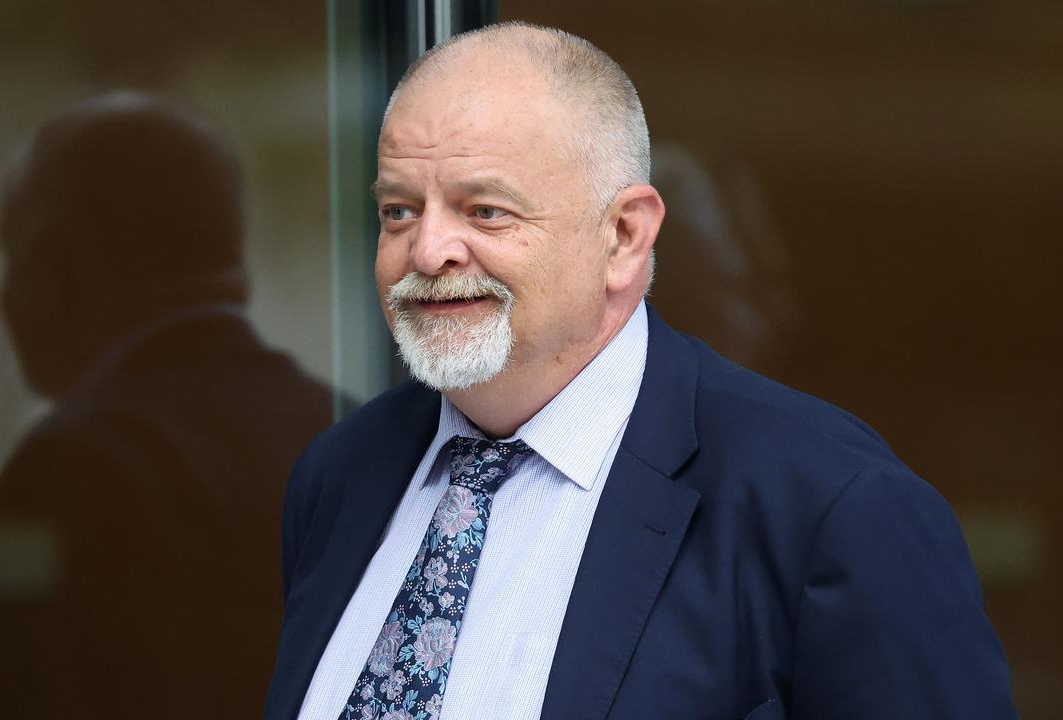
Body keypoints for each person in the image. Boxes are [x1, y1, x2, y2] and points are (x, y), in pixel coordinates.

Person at [266, 22, 1016, 720]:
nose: (427, 252)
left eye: (485, 211)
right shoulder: (343, 475)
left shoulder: (828, 510)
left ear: (624, 237)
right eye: (399, 211)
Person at [0, 92, 334, 718]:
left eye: (11, 254)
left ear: (59, 266)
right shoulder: (340, 430)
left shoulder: (75, 469)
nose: (3, 297)